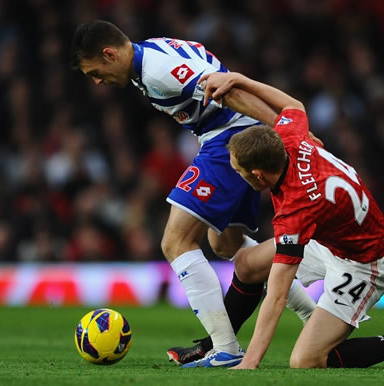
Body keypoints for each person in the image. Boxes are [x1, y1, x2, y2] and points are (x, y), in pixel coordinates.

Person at [69, 20, 317, 367]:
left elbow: (228, 90)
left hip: (230, 137)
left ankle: (226, 348)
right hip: (229, 135)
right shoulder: (148, 55)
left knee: (175, 241)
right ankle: (313, 314)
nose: (97, 81)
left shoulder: (158, 70)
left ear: (109, 54)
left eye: (95, 71)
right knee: (225, 245)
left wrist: (284, 132)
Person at [179, 71, 384, 369]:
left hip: (365, 262)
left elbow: (276, 296)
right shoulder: (288, 138)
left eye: (239, 171)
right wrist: (239, 80)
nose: (237, 175)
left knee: (306, 360)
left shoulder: (296, 208)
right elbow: (293, 105)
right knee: (248, 264)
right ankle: (219, 347)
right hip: (327, 236)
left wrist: (250, 363)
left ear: (259, 175)